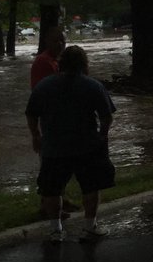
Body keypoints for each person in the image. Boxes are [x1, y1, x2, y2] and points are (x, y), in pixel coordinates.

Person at [26, 45, 116, 243]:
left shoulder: (44, 86)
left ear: (61, 63)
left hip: (53, 147)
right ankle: (90, 227)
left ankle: (55, 230)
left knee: (52, 189)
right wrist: (102, 136)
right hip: (87, 146)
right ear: (84, 64)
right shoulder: (92, 85)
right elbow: (107, 117)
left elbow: (31, 114)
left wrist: (36, 135)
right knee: (91, 187)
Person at [30, 26, 75, 219]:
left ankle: (60, 198)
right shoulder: (44, 62)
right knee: (51, 163)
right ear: (47, 42)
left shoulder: (57, 61)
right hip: (50, 119)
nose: (60, 44)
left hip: (59, 119)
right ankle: (47, 205)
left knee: (62, 162)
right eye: (56, 40)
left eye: (63, 40)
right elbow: (41, 93)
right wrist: (36, 133)